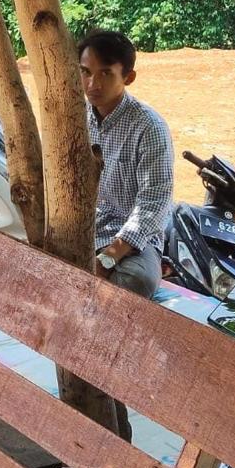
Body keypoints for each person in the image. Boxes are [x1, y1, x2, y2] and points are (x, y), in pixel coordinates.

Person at [79, 30, 174, 300]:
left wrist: (109, 257)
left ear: (128, 77)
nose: (92, 84)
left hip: (133, 238)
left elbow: (154, 203)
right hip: (84, 226)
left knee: (135, 280)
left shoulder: (149, 127)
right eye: (86, 72)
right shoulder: (75, 117)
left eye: (105, 73)